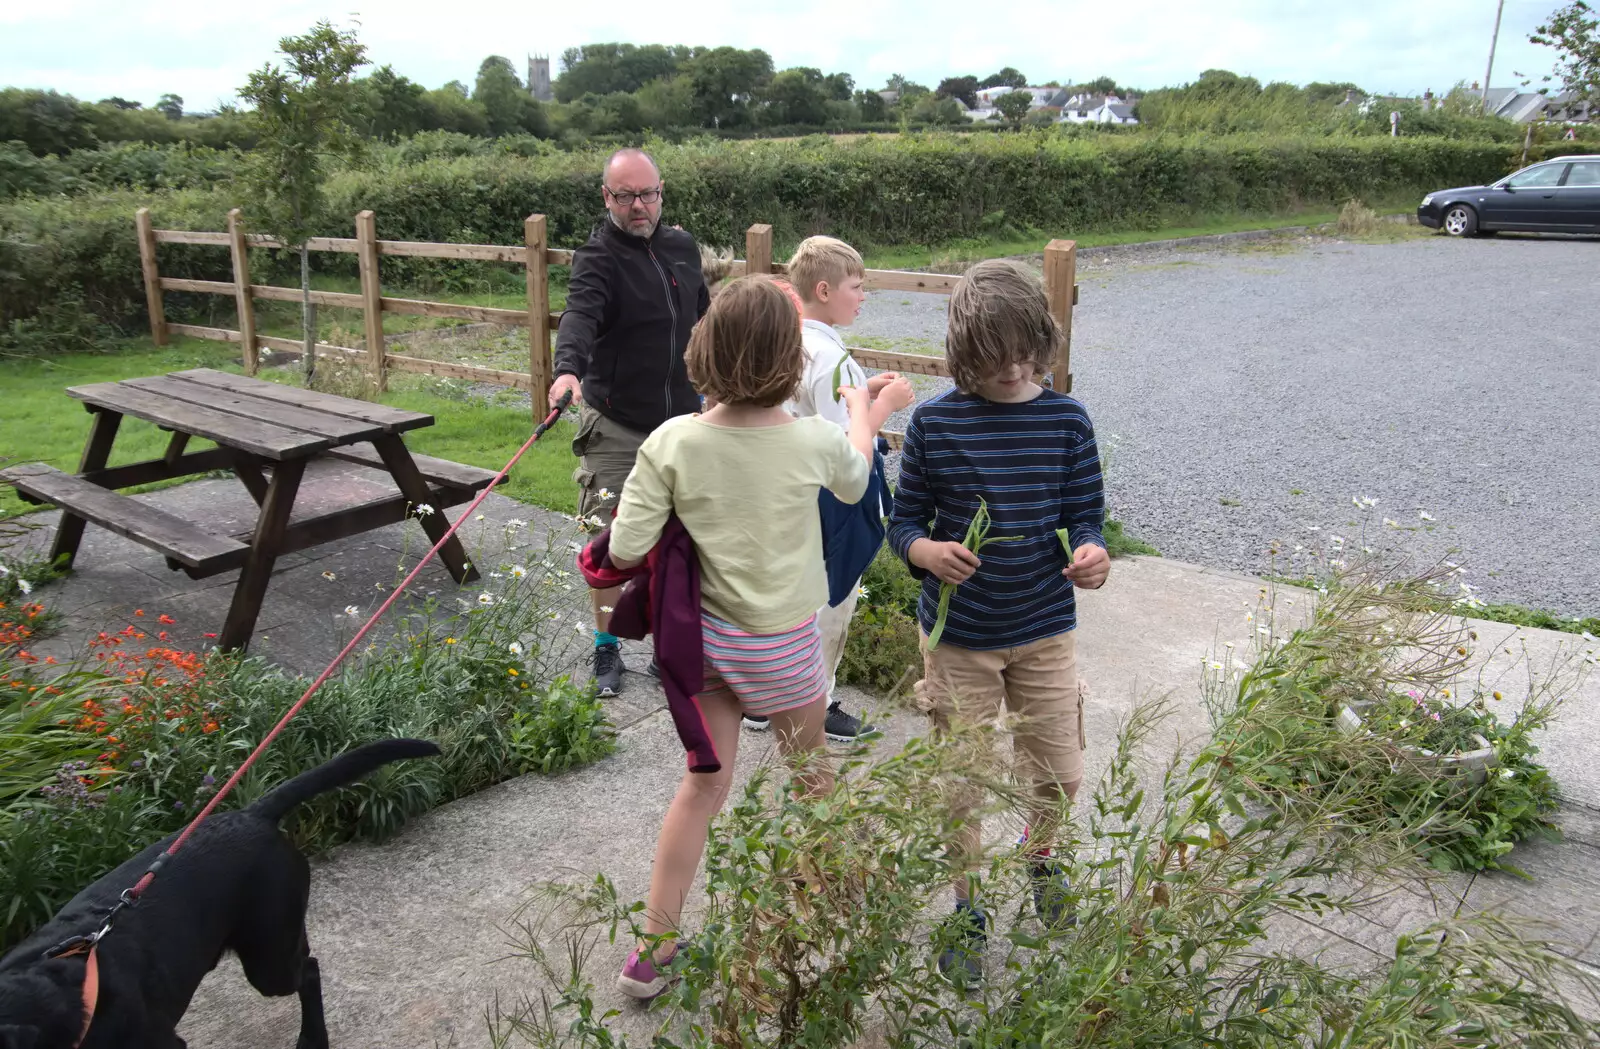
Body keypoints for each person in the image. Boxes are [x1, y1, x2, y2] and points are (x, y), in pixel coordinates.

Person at [606, 276, 913, 999]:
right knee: (811, 777)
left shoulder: (671, 441)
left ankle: (652, 949)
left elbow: (625, 546)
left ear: (704, 347)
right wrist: (864, 412)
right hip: (783, 647)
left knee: (702, 786)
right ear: (792, 362)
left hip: (708, 647)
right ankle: (841, 904)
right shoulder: (811, 440)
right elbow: (856, 478)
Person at [886, 259, 1111, 985]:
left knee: (1059, 771)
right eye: (994, 358)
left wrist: (1092, 552)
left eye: (1025, 353)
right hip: (959, 641)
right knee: (963, 782)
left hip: (1045, 626)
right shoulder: (935, 423)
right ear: (963, 354)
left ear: (1043, 342)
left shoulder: (1067, 419)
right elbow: (903, 522)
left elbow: (1086, 516)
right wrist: (926, 550)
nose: (1014, 370)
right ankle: (966, 905)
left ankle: (1040, 856)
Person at [549, 148, 710, 697]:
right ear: (606, 197)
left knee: (684, 540)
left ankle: (672, 643)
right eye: (625, 196)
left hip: (685, 421)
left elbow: (704, 319)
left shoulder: (682, 246)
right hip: (619, 423)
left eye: (648, 194)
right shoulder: (598, 257)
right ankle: (606, 647)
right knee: (608, 537)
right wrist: (568, 370)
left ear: (662, 190)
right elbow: (580, 315)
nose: (639, 206)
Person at [739, 235, 894, 743]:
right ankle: (819, 701)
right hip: (830, 503)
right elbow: (848, 446)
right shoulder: (831, 356)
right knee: (831, 605)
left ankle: (761, 699)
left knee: (788, 598)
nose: (863, 295)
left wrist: (864, 394)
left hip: (785, 497)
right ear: (824, 290)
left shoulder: (790, 342)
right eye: (856, 286)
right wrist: (886, 404)